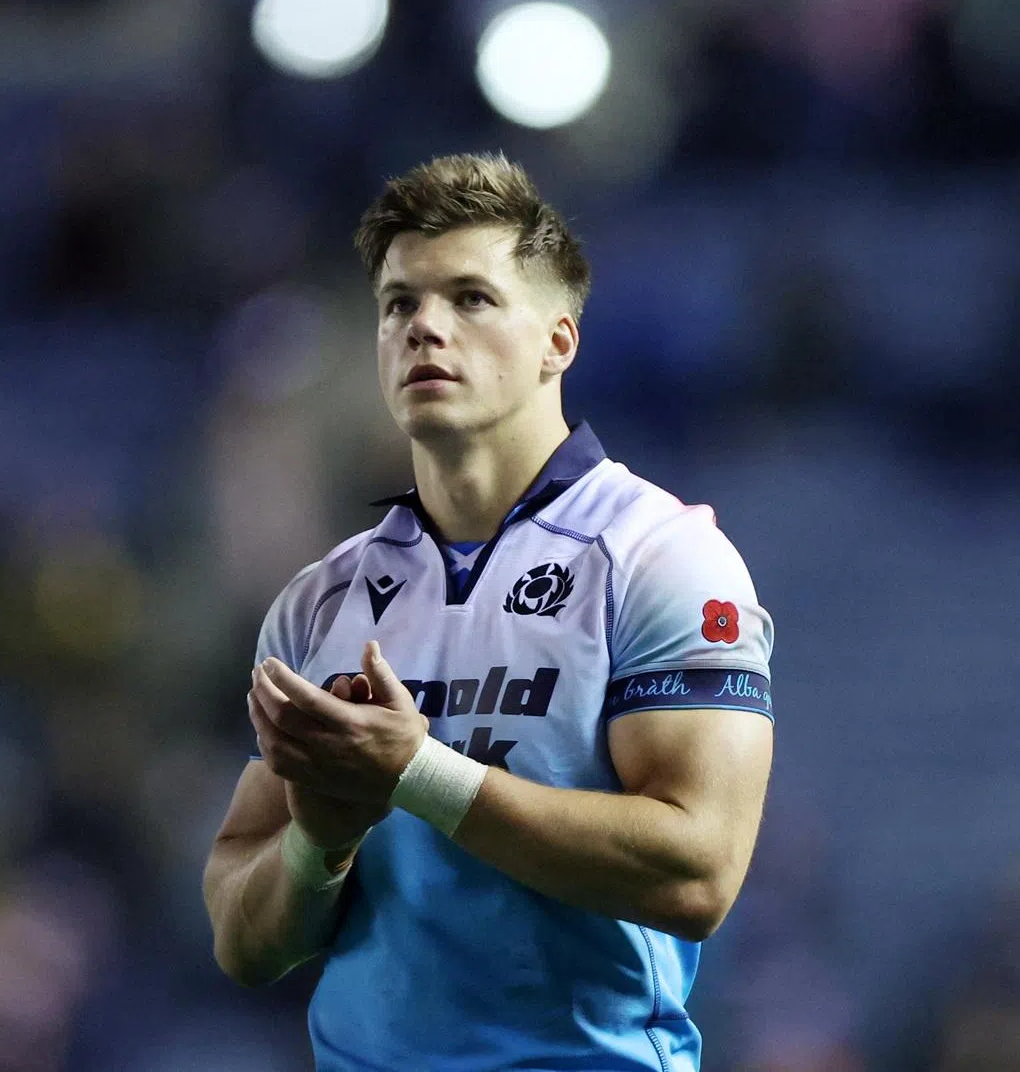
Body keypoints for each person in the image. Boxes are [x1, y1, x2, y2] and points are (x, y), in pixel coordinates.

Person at [202, 152, 775, 1071]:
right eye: (399, 304)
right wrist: (322, 837)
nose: (426, 326)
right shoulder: (319, 603)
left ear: (559, 340)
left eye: (470, 297)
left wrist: (418, 774)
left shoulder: (661, 558)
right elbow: (243, 940)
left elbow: (699, 871)